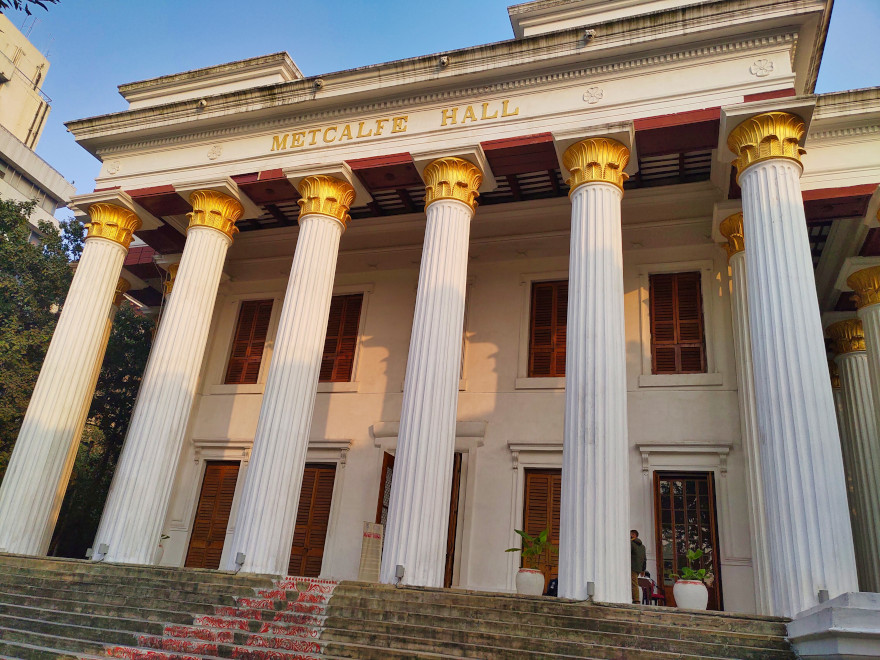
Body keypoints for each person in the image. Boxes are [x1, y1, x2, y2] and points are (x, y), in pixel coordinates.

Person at [630, 529, 646, 604]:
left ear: (634, 535)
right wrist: (643, 569)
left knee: (634, 584)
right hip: (639, 568)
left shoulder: (631, 543)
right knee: (634, 583)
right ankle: (634, 599)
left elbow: (627, 553)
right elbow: (644, 559)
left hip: (632, 567)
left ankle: (636, 600)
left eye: (630, 534)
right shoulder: (642, 546)